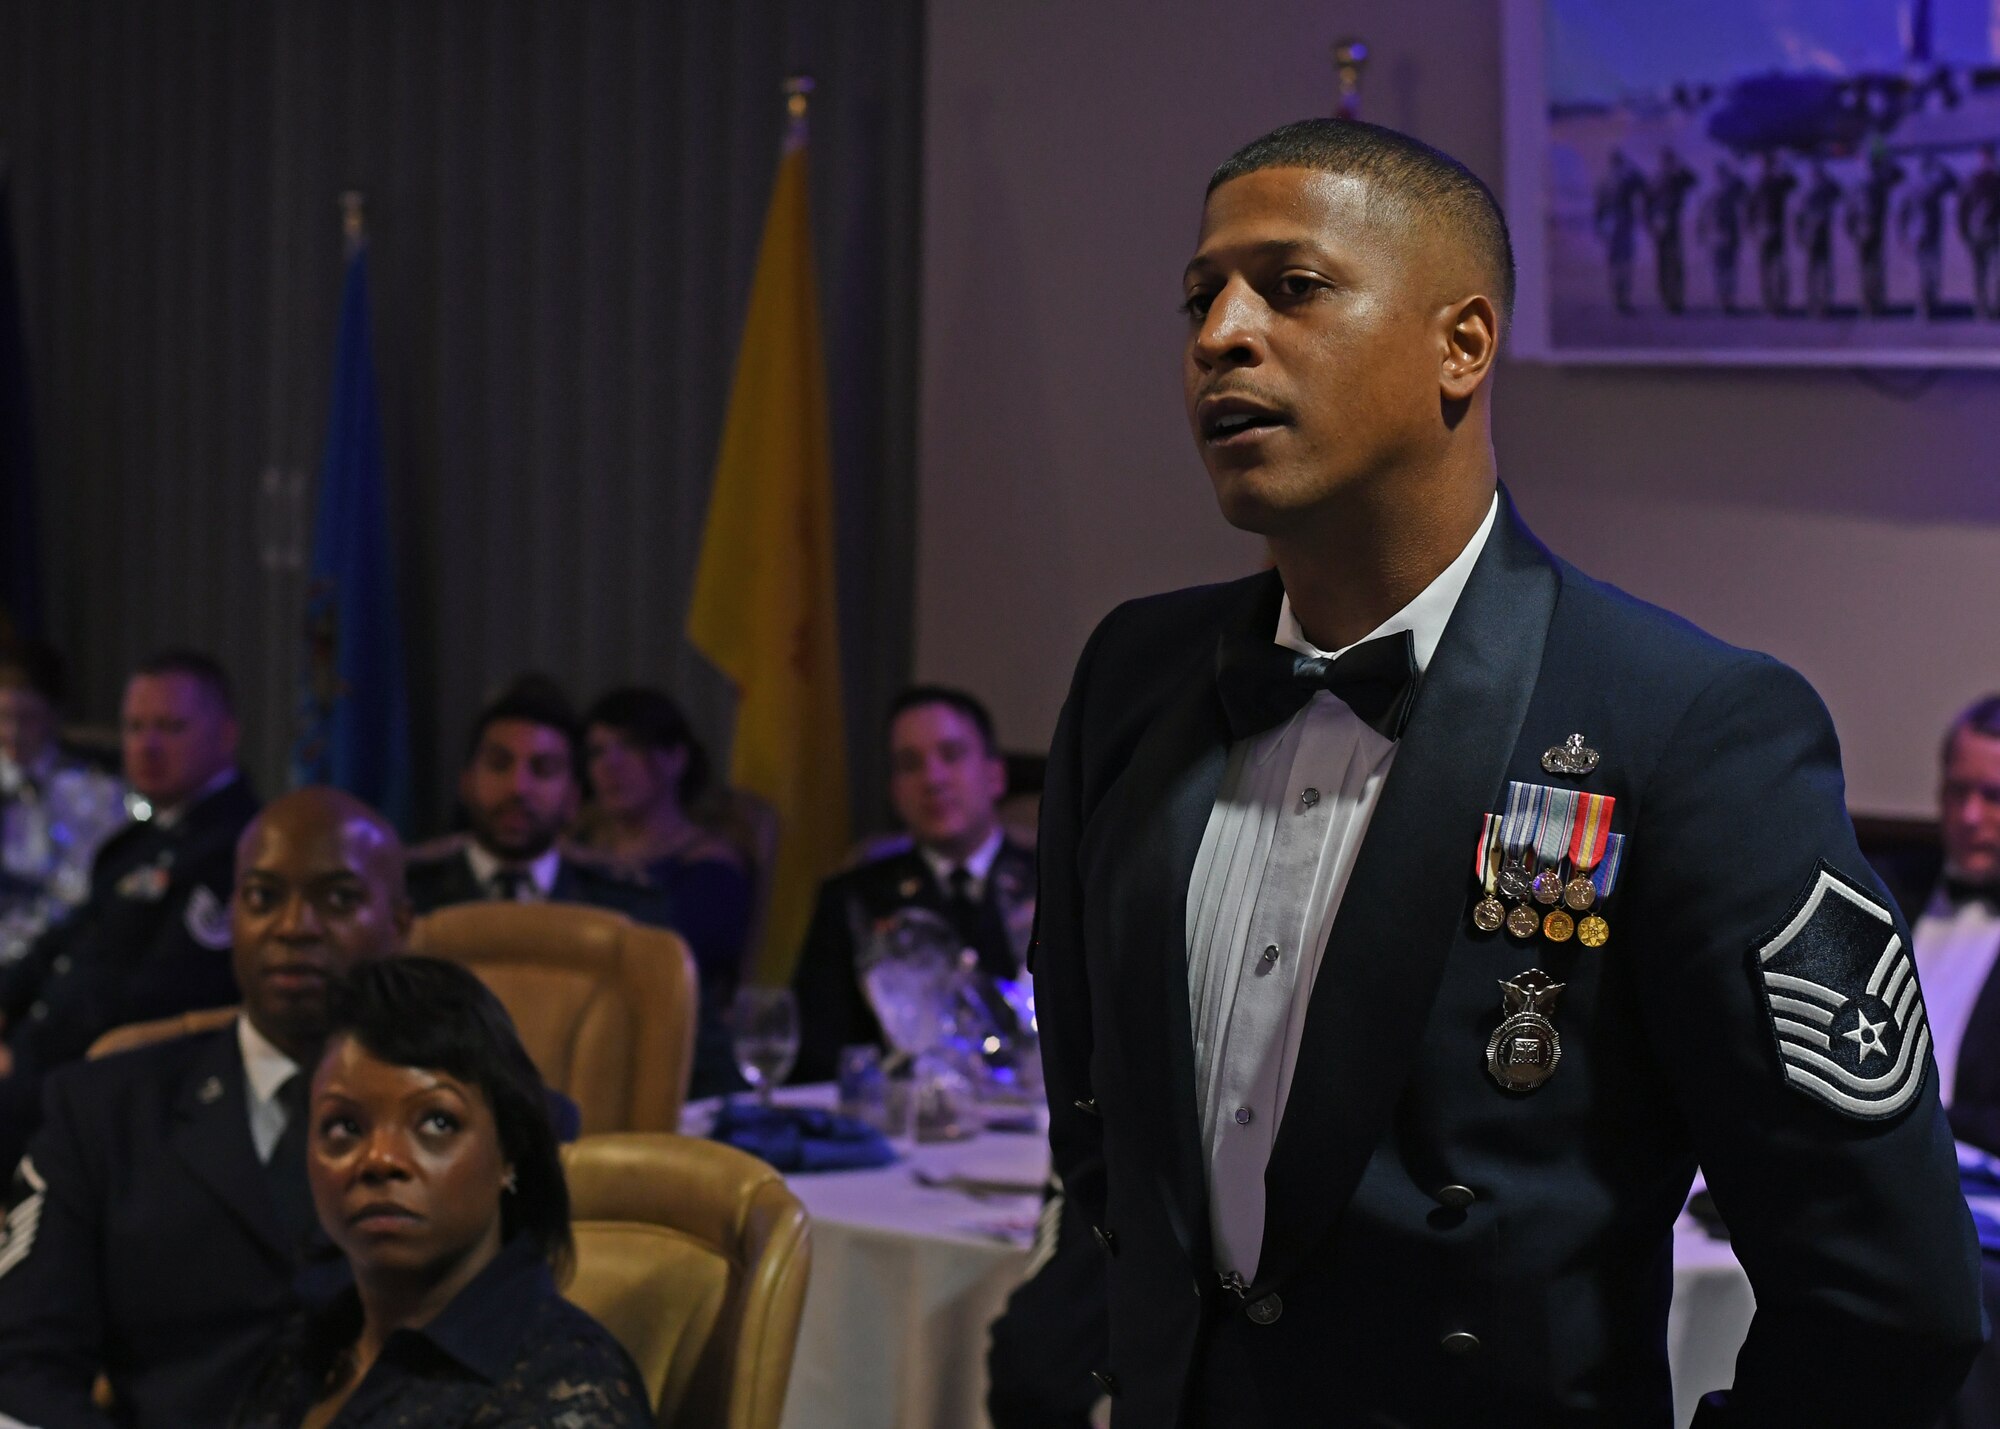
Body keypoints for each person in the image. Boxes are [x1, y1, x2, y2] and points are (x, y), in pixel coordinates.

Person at [1032, 117, 1982, 1426]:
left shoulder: (1688, 726)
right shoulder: (1133, 681)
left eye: (1291, 287)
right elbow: (1104, 1142)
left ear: (1462, 345)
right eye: (1201, 297)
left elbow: (1893, 1303)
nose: (1220, 335)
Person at [0, 786, 407, 1429]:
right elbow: (21, 1366)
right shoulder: (103, 1112)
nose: (294, 926)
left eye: (339, 899)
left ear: (401, 924)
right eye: (262, 898)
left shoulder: (478, 1123)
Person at [231, 955, 651, 1428]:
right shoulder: (307, 1348)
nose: (380, 1159)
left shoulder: (566, 1382)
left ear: (508, 1153)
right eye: (344, 1126)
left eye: (436, 1122)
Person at [0, 650, 258, 1174]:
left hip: (105, 1099)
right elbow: (66, 941)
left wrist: (22, 1059)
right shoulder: (139, 841)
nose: (148, 745)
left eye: (171, 726)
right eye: (136, 727)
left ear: (226, 735)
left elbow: (159, 997)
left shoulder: (238, 848)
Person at [791, 686, 1035, 1084]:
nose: (933, 779)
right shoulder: (853, 899)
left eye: (952, 755)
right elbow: (818, 1054)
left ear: (995, 774)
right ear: (894, 791)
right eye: (909, 764)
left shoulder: (1059, 888)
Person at [406, 680, 668, 925]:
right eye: (499, 765)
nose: (518, 787)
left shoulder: (623, 906)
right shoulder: (406, 895)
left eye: (543, 769)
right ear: (466, 783)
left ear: (573, 798)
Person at [0, 640, 126, 967]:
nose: (12, 734)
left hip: (57, 956)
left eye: (27, 719)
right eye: (3, 717)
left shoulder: (95, 789)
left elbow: (88, 892)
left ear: (53, 717)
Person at [1901, 152, 1960, 319]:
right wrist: (1941, 166)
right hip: (1931, 233)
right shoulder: (1933, 185)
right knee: (1931, 270)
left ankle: (1922, 307)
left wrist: (1902, 235)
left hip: (1915, 234)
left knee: (1920, 272)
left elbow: (1902, 213)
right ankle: (1929, 306)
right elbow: (1954, 181)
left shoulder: (1911, 185)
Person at [1849, 147, 1905, 316]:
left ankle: (1875, 304)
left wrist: (1886, 160)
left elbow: (1899, 174)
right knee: (1866, 270)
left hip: (1874, 232)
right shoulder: (1860, 185)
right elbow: (1850, 212)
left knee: (1875, 269)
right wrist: (1852, 231)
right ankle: (1868, 304)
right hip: (1862, 231)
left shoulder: (1878, 182)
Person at [1591, 148, 1646, 314]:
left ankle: (1618, 299)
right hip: (1621, 224)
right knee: (1623, 263)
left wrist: (1599, 227)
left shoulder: (1604, 181)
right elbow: (1641, 180)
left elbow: (1598, 208)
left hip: (1612, 224)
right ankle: (1623, 299)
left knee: (1616, 263)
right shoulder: (1624, 180)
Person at [1644, 147, 1697, 313]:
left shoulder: (1677, 178)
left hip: (1673, 224)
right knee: (1663, 263)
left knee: (1674, 262)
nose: (1668, 164)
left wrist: (1681, 167)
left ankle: (1676, 299)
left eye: (1671, 160)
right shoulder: (1655, 180)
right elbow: (1647, 205)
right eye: (1667, 161)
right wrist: (1651, 224)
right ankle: (1667, 298)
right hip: (1660, 226)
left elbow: (1693, 180)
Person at [1694, 159, 1747, 314]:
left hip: (1729, 238)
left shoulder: (1732, 196)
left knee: (1729, 271)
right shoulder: (1711, 198)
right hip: (1716, 238)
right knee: (1718, 271)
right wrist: (1702, 234)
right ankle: (1721, 300)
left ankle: (1728, 300)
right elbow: (1703, 218)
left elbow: (1743, 189)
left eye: (1724, 177)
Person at [1748, 151, 1797, 313]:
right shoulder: (1759, 185)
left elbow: (1793, 182)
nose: (1767, 168)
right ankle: (1769, 303)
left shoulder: (1778, 183)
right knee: (1766, 269)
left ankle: (1780, 302)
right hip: (1763, 231)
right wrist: (1753, 230)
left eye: (1769, 165)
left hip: (1776, 231)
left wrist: (1784, 168)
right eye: (1766, 165)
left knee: (1778, 268)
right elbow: (1750, 210)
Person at [1794, 158, 1843, 318]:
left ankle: (1818, 304)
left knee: (1817, 272)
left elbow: (1798, 218)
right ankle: (1818, 304)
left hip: (1816, 236)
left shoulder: (1815, 191)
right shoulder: (1816, 192)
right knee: (1817, 272)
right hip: (1815, 237)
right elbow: (1798, 218)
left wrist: (1799, 236)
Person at [1960, 144, 2000, 319]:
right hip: (1986, 232)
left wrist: (1964, 231)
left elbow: (1962, 209)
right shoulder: (1992, 180)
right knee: (1987, 272)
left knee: (1984, 272)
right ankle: (1987, 308)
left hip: (1982, 232)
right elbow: (1963, 209)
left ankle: (1984, 308)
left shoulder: (1973, 180)